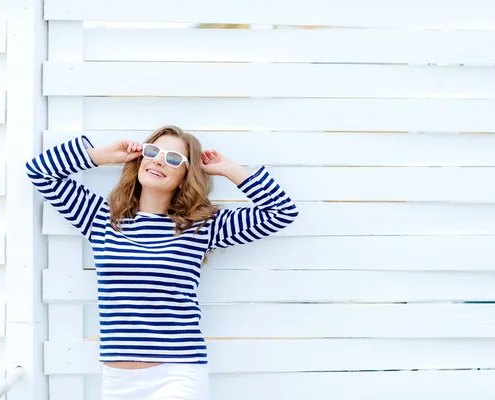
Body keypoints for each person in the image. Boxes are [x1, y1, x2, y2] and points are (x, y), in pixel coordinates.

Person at [26, 125, 300, 399]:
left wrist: (228, 168)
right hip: (118, 380)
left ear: (185, 176)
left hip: (177, 375)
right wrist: (103, 155)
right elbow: (38, 171)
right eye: (153, 151)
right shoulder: (102, 219)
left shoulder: (201, 227)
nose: (158, 160)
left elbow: (281, 211)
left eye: (173, 159)